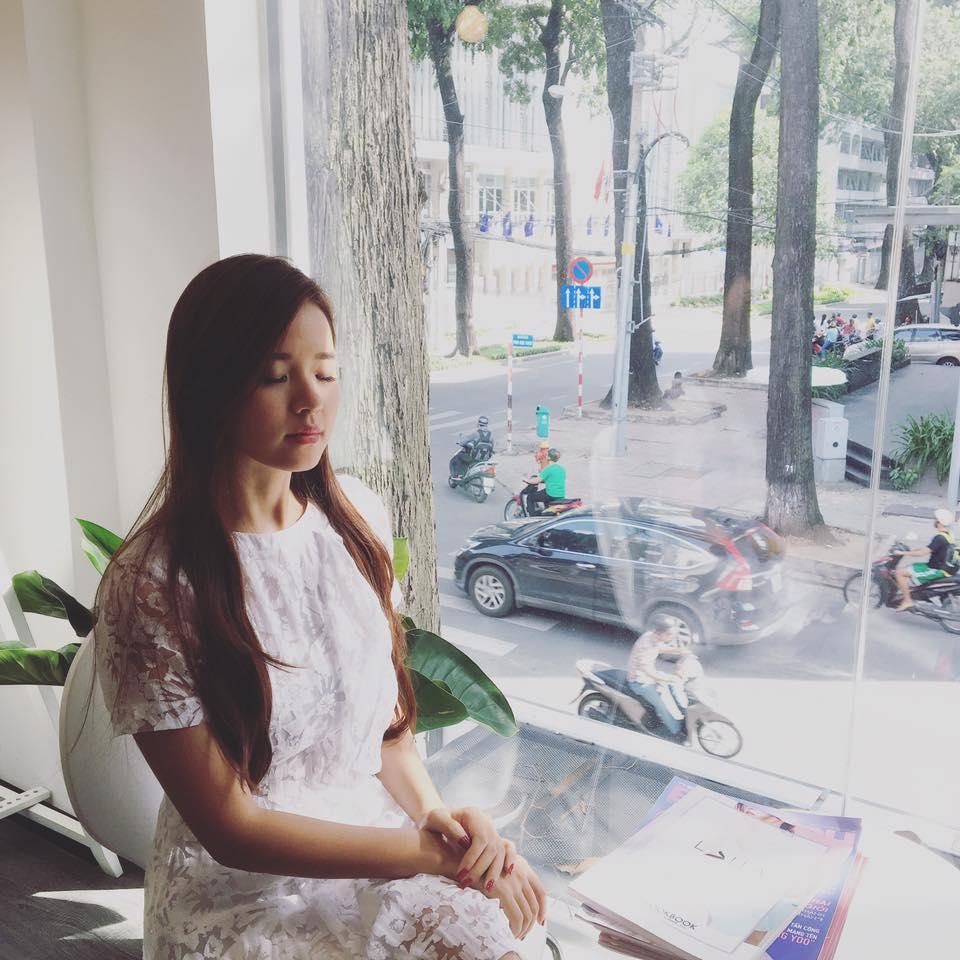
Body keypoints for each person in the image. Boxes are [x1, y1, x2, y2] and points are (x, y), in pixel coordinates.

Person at [92, 255, 546, 959]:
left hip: (374, 841)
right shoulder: (153, 584)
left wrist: (441, 823)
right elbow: (232, 830)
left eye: (326, 372)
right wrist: (429, 856)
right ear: (210, 388)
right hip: (243, 893)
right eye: (276, 377)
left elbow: (385, 732)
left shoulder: (355, 520)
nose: (311, 401)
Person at [626, 614, 687, 736]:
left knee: (673, 687)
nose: (672, 636)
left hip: (647, 676)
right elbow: (648, 672)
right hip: (639, 681)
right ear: (660, 634)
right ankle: (676, 732)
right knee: (663, 704)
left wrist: (679, 651)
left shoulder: (652, 636)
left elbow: (660, 647)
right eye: (670, 634)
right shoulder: (646, 646)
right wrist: (668, 678)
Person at [894, 508, 960, 611]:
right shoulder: (949, 535)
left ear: (939, 522)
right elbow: (929, 548)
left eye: (935, 519)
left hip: (936, 570)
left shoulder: (939, 538)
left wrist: (902, 553)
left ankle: (907, 601)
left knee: (900, 572)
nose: (934, 520)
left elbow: (922, 553)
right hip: (945, 568)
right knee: (910, 567)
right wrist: (912, 550)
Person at [449, 415, 493, 481]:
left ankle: (457, 475)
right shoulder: (491, 435)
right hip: (485, 460)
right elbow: (492, 448)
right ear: (486, 424)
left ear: (479, 423)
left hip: (474, 459)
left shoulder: (476, 433)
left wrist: (461, 443)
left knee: (459, 456)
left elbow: (464, 441)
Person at [526, 448, 566, 515]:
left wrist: (527, 480)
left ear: (549, 457)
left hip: (551, 494)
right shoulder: (561, 469)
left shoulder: (548, 468)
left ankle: (532, 517)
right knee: (544, 493)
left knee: (530, 497)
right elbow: (553, 480)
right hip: (561, 495)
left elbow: (537, 480)